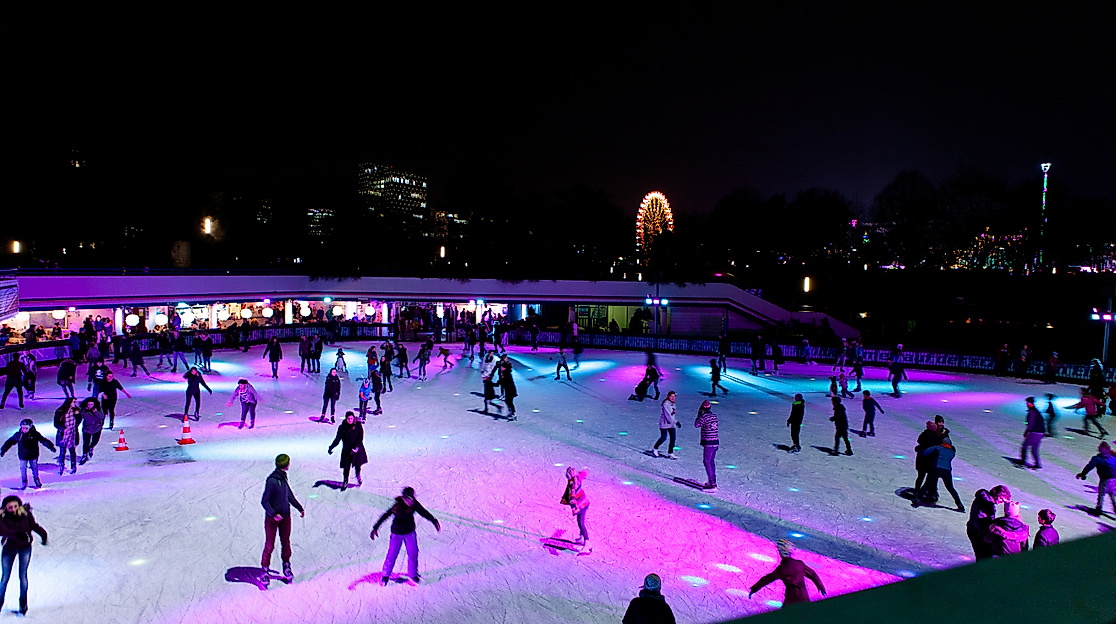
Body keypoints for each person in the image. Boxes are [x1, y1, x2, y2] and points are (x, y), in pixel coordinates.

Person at [371, 486, 441, 585]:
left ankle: (413, 575)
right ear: (403, 498)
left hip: (410, 533)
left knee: (413, 554)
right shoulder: (397, 506)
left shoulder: (414, 504)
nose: (410, 501)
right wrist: (375, 528)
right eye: (408, 499)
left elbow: (423, 512)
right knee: (392, 554)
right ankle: (385, 575)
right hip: (396, 534)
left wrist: (434, 520)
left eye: (412, 498)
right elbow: (386, 515)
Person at [0, 495, 48, 616]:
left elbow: (33, 526)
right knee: (5, 577)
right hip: (9, 548)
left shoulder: (25, 515)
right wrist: (17, 534)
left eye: (15, 506)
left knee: (23, 576)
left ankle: (23, 604)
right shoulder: (2, 517)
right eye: (10, 507)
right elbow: (2, 530)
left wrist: (43, 534)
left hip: (24, 548)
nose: (13, 509)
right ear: (5, 507)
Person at [261, 454, 304, 584]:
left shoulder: (283, 478)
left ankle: (286, 565)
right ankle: (264, 569)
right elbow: (264, 501)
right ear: (285, 465)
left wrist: (299, 507)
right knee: (270, 544)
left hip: (285, 516)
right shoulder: (272, 481)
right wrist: (274, 514)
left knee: (286, 542)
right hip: (272, 519)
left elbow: (288, 495)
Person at [748, 539, 826, 607]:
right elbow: (812, 574)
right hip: (803, 597)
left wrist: (754, 589)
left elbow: (767, 579)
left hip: (790, 599)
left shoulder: (781, 569)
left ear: (780, 553)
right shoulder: (799, 564)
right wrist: (820, 586)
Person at [912, 436, 964, 511]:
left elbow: (925, 453)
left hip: (935, 468)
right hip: (947, 470)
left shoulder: (937, 448)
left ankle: (917, 499)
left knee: (927, 485)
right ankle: (959, 504)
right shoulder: (952, 452)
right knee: (950, 488)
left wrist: (918, 449)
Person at [1, 419, 55, 489]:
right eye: (23, 428)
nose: (24, 430)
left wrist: (50, 446)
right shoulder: (19, 435)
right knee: (23, 469)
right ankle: (24, 482)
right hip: (23, 456)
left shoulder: (35, 434)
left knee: (34, 468)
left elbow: (43, 440)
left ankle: (36, 480)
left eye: (26, 428)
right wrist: (3, 450)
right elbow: (10, 442)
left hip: (33, 455)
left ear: (30, 427)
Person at [966, 485, 1011, 560]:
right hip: (977, 532)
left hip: (974, 530)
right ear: (997, 496)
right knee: (984, 556)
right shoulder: (987, 504)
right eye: (1001, 499)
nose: (1001, 502)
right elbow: (979, 521)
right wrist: (990, 532)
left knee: (983, 555)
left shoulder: (985, 499)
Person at [328, 412, 367, 491]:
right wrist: (331, 447)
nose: (350, 420)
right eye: (348, 419)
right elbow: (337, 439)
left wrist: (356, 447)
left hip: (357, 449)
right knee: (346, 467)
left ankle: (358, 476)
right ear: (346, 419)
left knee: (357, 465)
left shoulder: (358, 426)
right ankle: (345, 481)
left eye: (351, 418)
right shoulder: (342, 428)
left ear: (354, 418)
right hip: (347, 450)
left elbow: (360, 437)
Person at [1075, 441, 1116, 517]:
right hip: (1114, 479)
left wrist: (1082, 474)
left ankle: (1098, 508)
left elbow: (1089, 467)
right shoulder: (1113, 456)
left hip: (1105, 479)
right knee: (1111, 493)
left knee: (1101, 493)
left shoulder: (1097, 459)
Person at [560, 467, 591, 553]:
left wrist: (574, 506)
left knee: (581, 522)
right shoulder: (577, 478)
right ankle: (582, 537)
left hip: (581, 505)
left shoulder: (572, 483)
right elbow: (583, 474)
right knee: (580, 521)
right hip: (584, 502)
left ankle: (587, 543)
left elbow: (572, 496)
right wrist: (584, 471)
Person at [695, 400, 719, 490]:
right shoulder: (714, 416)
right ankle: (712, 481)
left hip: (708, 443)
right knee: (711, 462)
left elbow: (697, 424)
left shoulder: (704, 417)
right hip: (715, 442)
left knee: (707, 462)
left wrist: (699, 414)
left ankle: (712, 484)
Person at [54, 399, 81, 476]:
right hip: (63, 435)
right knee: (62, 452)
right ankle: (61, 467)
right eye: (73, 402)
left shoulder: (75, 411)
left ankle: (73, 467)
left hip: (73, 434)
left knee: (72, 451)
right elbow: (56, 423)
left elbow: (78, 421)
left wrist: (78, 415)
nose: (75, 404)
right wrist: (63, 429)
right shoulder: (60, 411)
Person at [650, 391, 680, 458]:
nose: (673, 398)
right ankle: (655, 448)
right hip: (664, 423)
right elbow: (668, 415)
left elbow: (672, 415)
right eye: (671, 396)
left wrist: (674, 422)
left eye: (674, 396)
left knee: (673, 438)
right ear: (668, 396)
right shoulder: (666, 404)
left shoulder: (673, 404)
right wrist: (676, 422)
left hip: (671, 424)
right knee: (663, 437)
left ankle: (670, 452)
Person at [78, 397, 106, 465]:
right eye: (89, 404)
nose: (90, 406)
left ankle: (91, 447)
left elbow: (102, 417)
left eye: (91, 404)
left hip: (97, 428)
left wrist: (95, 412)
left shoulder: (98, 408)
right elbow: (80, 417)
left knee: (95, 441)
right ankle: (84, 455)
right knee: (86, 443)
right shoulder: (84, 410)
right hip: (87, 428)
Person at [1019, 396, 1045, 469]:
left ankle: (1022, 461)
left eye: (1027, 402)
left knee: (1025, 446)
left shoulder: (1032, 411)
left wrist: (1027, 432)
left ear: (1029, 403)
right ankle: (1037, 464)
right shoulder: (1036, 411)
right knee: (1034, 449)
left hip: (1035, 432)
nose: (1026, 404)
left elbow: (1031, 423)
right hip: (1040, 432)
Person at [498, 354, 518, 420]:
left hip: (510, 390)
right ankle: (511, 412)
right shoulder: (505, 373)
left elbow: (505, 381)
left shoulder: (507, 375)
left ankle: (513, 413)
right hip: (508, 389)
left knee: (509, 401)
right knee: (508, 401)